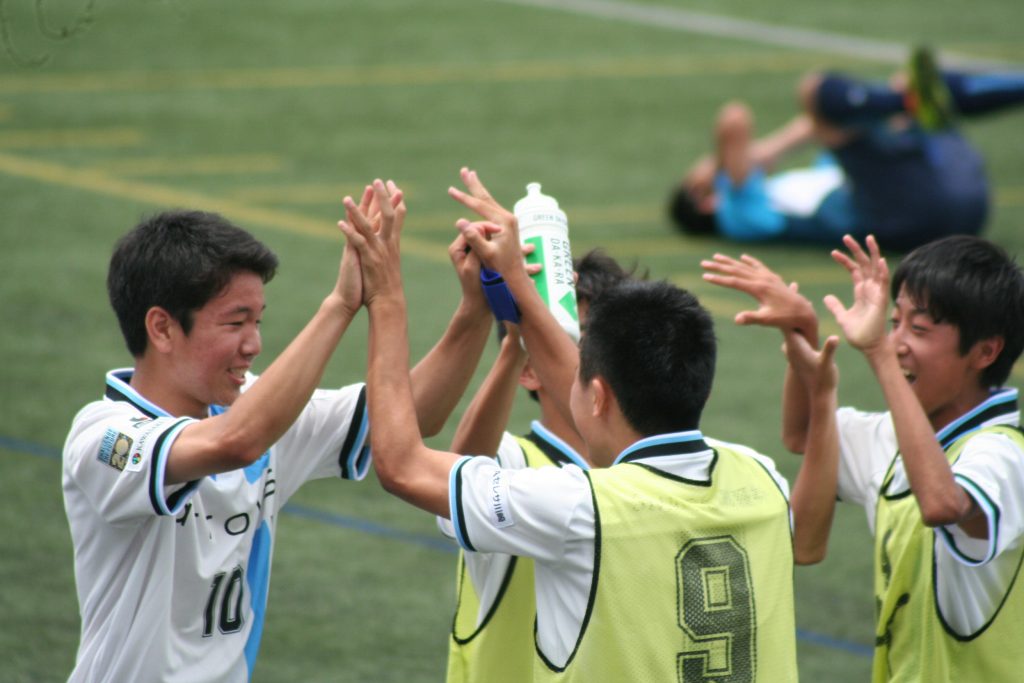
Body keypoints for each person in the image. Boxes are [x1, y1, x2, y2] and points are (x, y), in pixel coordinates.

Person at [339, 171, 798, 681]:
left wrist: (386, 299)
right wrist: (523, 312)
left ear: (596, 394)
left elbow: (402, 465)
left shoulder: (580, 506)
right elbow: (588, 387)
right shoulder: (764, 481)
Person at [62, 194, 496, 683]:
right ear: (162, 327)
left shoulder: (256, 409)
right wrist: (343, 304)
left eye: (258, 320)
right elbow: (236, 442)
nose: (254, 344)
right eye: (235, 322)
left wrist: (475, 310)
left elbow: (411, 415)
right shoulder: (103, 438)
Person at [702, 234, 1024, 681]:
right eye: (895, 323)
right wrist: (801, 333)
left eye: (920, 329)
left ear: (986, 351)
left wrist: (877, 354)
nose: (896, 341)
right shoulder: (895, 436)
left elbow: (942, 503)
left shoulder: (1003, 454)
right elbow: (806, 435)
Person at [443, 248, 635, 683]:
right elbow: (459, 472)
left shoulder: (643, 465)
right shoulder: (513, 466)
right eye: (583, 337)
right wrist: (515, 343)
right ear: (530, 370)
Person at [670, 47, 1024, 251]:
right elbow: (734, 119)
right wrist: (724, 164)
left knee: (906, 94)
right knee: (816, 90)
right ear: (704, 197)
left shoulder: (784, 188)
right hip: (909, 212)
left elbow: (825, 129)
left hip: (954, 198)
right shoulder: (737, 214)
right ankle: (906, 99)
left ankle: (913, 98)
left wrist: (773, 149)